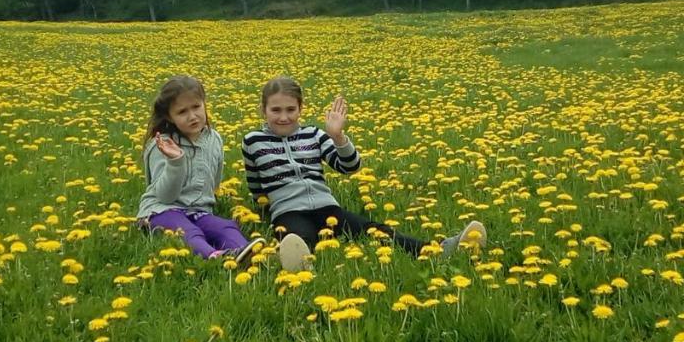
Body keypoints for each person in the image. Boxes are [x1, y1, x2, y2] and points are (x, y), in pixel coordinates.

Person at [241, 76, 486, 271]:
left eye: (290, 109)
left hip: (327, 207)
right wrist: (264, 211)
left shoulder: (314, 135)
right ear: (263, 110)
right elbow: (256, 184)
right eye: (276, 110)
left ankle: (440, 249)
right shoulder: (253, 141)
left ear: (300, 109)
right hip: (287, 210)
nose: (283, 117)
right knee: (298, 237)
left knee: (373, 230)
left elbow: (350, 167)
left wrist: (338, 137)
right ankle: (299, 265)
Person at [137, 75, 264, 263]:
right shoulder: (162, 145)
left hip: (199, 211)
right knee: (188, 231)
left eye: (196, 107)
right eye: (182, 112)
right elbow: (165, 196)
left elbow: (213, 182)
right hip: (163, 210)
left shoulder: (214, 139)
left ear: (204, 103)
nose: (192, 116)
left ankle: (248, 254)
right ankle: (214, 257)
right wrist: (176, 162)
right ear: (169, 117)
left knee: (225, 227)